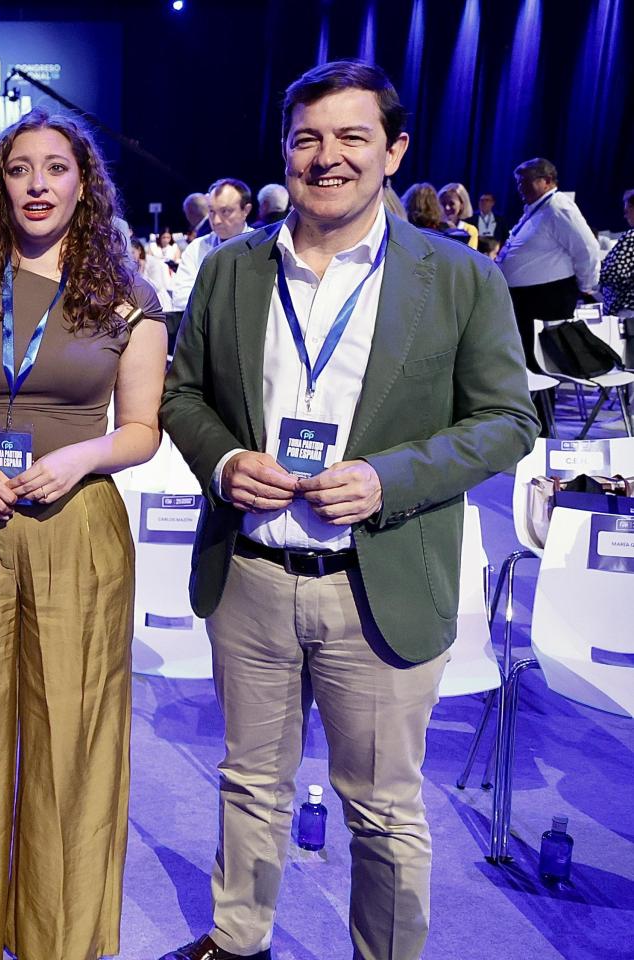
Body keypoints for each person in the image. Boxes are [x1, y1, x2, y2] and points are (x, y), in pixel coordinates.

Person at [159, 61, 539, 960]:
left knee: (382, 806)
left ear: (394, 150)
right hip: (252, 572)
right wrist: (222, 461)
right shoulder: (230, 269)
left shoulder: (458, 277)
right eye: (306, 139)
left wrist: (390, 478)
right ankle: (238, 935)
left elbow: (509, 420)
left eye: (351, 137)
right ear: (285, 151)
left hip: (379, 577)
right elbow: (182, 396)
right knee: (251, 781)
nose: (326, 158)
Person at [0, 107, 167, 960]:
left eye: (56, 169)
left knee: (72, 743)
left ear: (84, 184)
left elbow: (143, 429)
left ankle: (59, 938)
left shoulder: (126, 294)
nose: (38, 185)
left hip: (76, 529)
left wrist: (84, 456)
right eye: (20, 170)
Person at [496, 157, 602, 371]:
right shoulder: (537, 208)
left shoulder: (558, 206)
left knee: (541, 364)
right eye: (518, 181)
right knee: (526, 360)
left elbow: (588, 248)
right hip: (528, 299)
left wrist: (585, 286)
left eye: (525, 180)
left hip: (548, 298)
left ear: (547, 180)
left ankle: (541, 405)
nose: (520, 187)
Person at [169, 178, 255, 311]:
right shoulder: (196, 248)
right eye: (211, 211)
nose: (216, 221)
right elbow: (181, 300)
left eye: (225, 211)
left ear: (245, 210)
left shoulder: (262, 246)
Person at [599, 189, 634, 314]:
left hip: (627, 305)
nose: (625, 216)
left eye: (627, 211)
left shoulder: (631, 237)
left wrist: (593, 277)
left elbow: (615, 272)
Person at [438, 182, 480, 247]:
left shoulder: (470, 230)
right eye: (443, 203)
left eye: (451, 204)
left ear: (462, 205)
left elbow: (470, 255)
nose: (447, 207)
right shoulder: (435, 226)